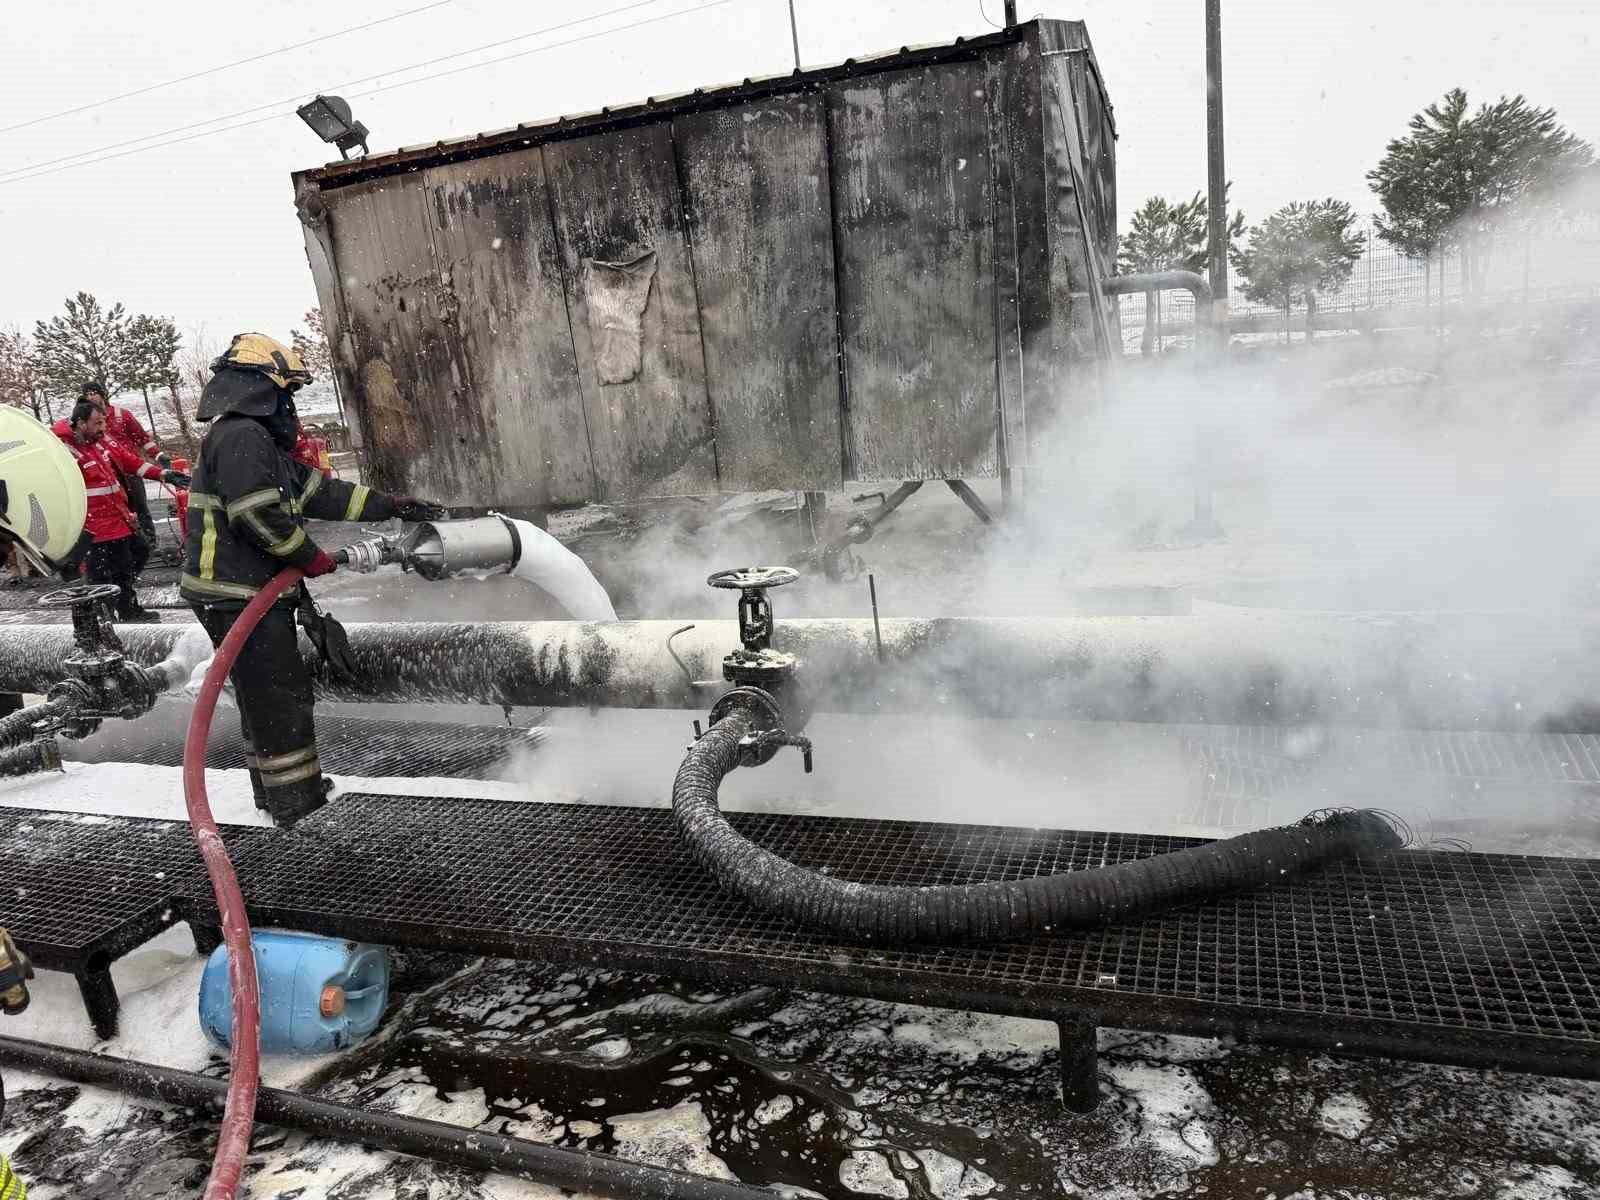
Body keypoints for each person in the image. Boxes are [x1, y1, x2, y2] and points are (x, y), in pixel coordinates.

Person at [181, 333, 441, 828]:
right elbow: (256, 517)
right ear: (261, 389)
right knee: (279, 697)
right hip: (237, 595)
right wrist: (311, 556)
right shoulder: (240, 436)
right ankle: (296, 803)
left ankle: (274, 793)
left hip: (241, 593)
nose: (290, 406)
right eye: (287, 393)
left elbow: (319, 492)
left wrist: (390, 505)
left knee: (262, 695)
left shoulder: (256, 443)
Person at [56, 399, 189, 621]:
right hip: (92, 527)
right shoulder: (62, 449)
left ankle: (125, 607)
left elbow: (128, 460)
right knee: (101, 574)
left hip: (117, 518)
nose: (103, 428)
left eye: (104, 423)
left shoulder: (97, 440)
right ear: (80, 423)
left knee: (133, 558)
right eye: (98, 423)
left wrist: (163, 474)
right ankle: (105, 614)